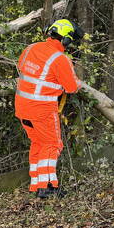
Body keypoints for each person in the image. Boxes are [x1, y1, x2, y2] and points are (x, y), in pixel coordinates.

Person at [15, 19, 84, 198]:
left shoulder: (30, 48)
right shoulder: (60, 59)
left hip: (22, 107)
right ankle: (47, 187)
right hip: (42, 109)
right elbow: (72, 88)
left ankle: (36, 185)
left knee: (38, 143)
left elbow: (25, 70)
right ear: (66, 40)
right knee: (52, 144)